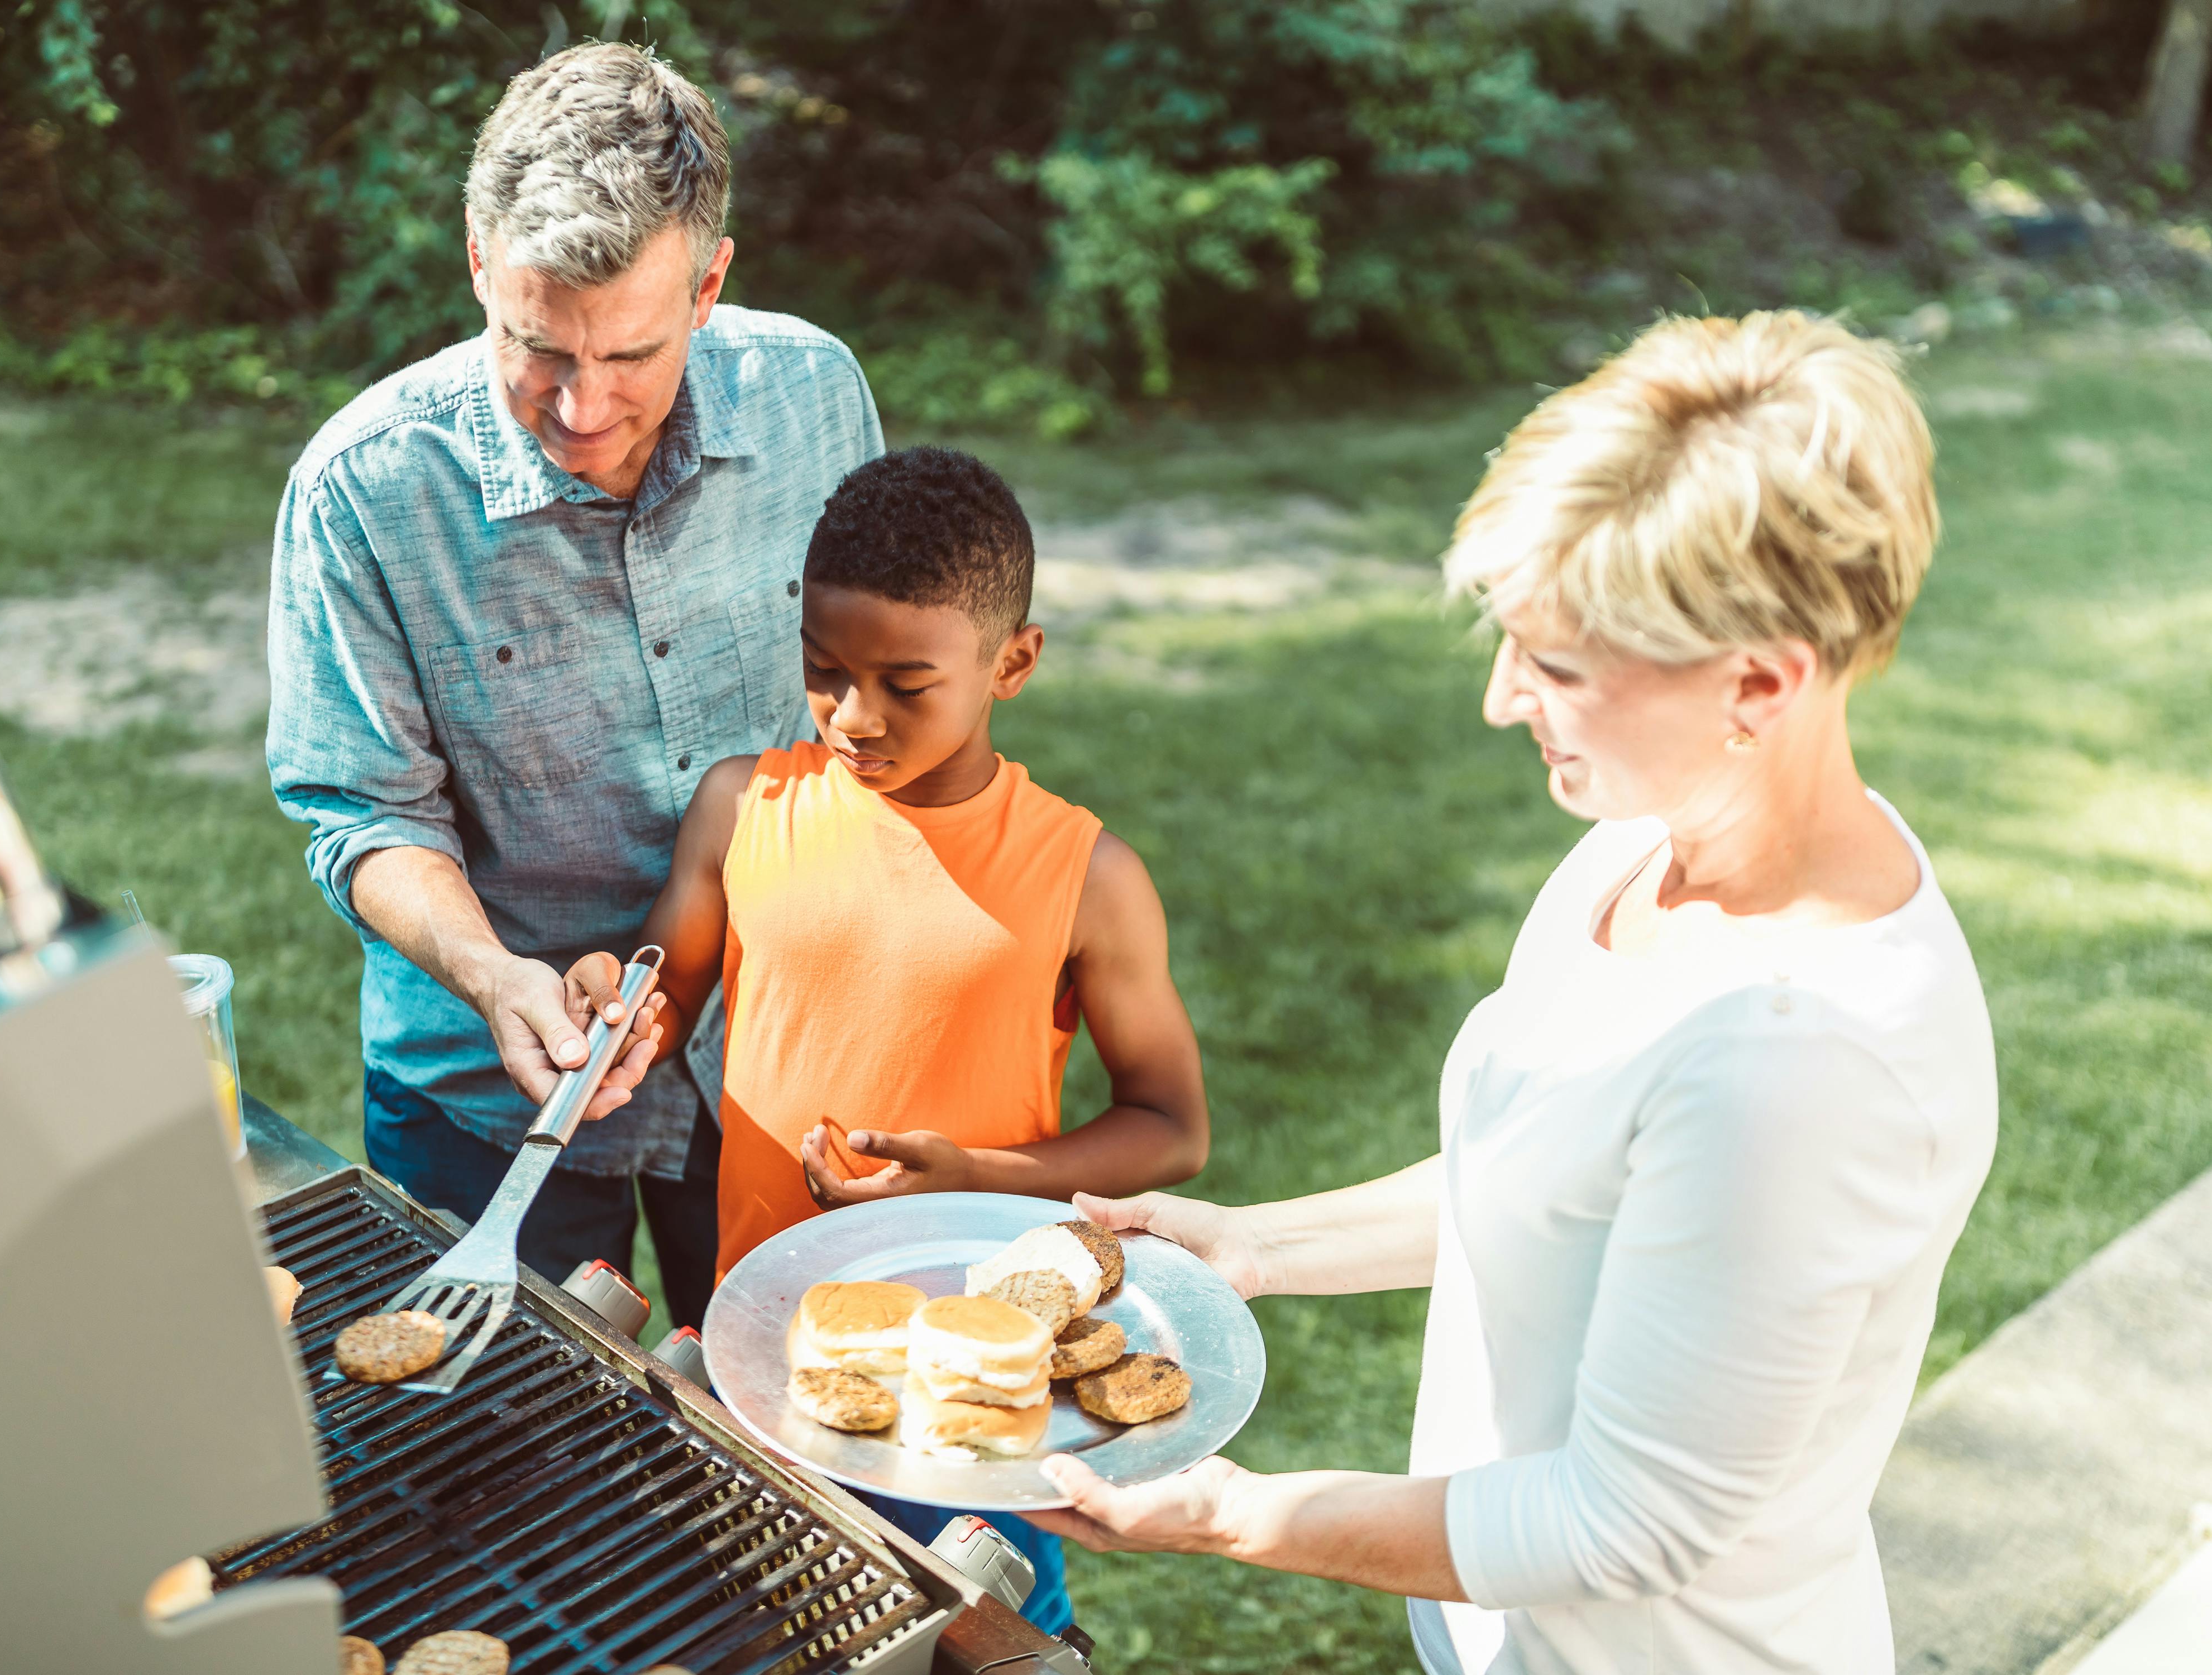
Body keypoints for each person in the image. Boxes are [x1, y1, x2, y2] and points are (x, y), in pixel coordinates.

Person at [1027, 311, 1998, 1675]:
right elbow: (1552, 1176)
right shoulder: (1646, 847)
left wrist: (1243, 1517)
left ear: (1761, 683)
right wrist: (1257, 1247)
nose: (1499, 699)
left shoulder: (1802, 1066)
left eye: (1554, 664)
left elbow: (1622, 1526)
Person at [266, 44, 881, 1334]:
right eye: (538, 349)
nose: (584, 407)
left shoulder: (821, 399)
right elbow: (362, 814)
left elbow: (881, 705)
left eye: (634, 356)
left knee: (812, 1445)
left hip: (773, 1059)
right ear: (481, 264)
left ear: (710, 283)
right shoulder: (365, 489)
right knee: (501, 1486)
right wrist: (494, 975)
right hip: (483, 1100)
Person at [569, 446, 1211, 1638]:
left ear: (1012, 662)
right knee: (782, 1610)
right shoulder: (741, 809)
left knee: (982, 1625)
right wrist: (618, 1020)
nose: (856, 716)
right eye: (825, 673)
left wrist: (978, 1176)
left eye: (906, 685)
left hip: (971, 1372)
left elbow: (1172, 1126)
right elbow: (662, 1006)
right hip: (770, 1340)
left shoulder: (1087, 878)